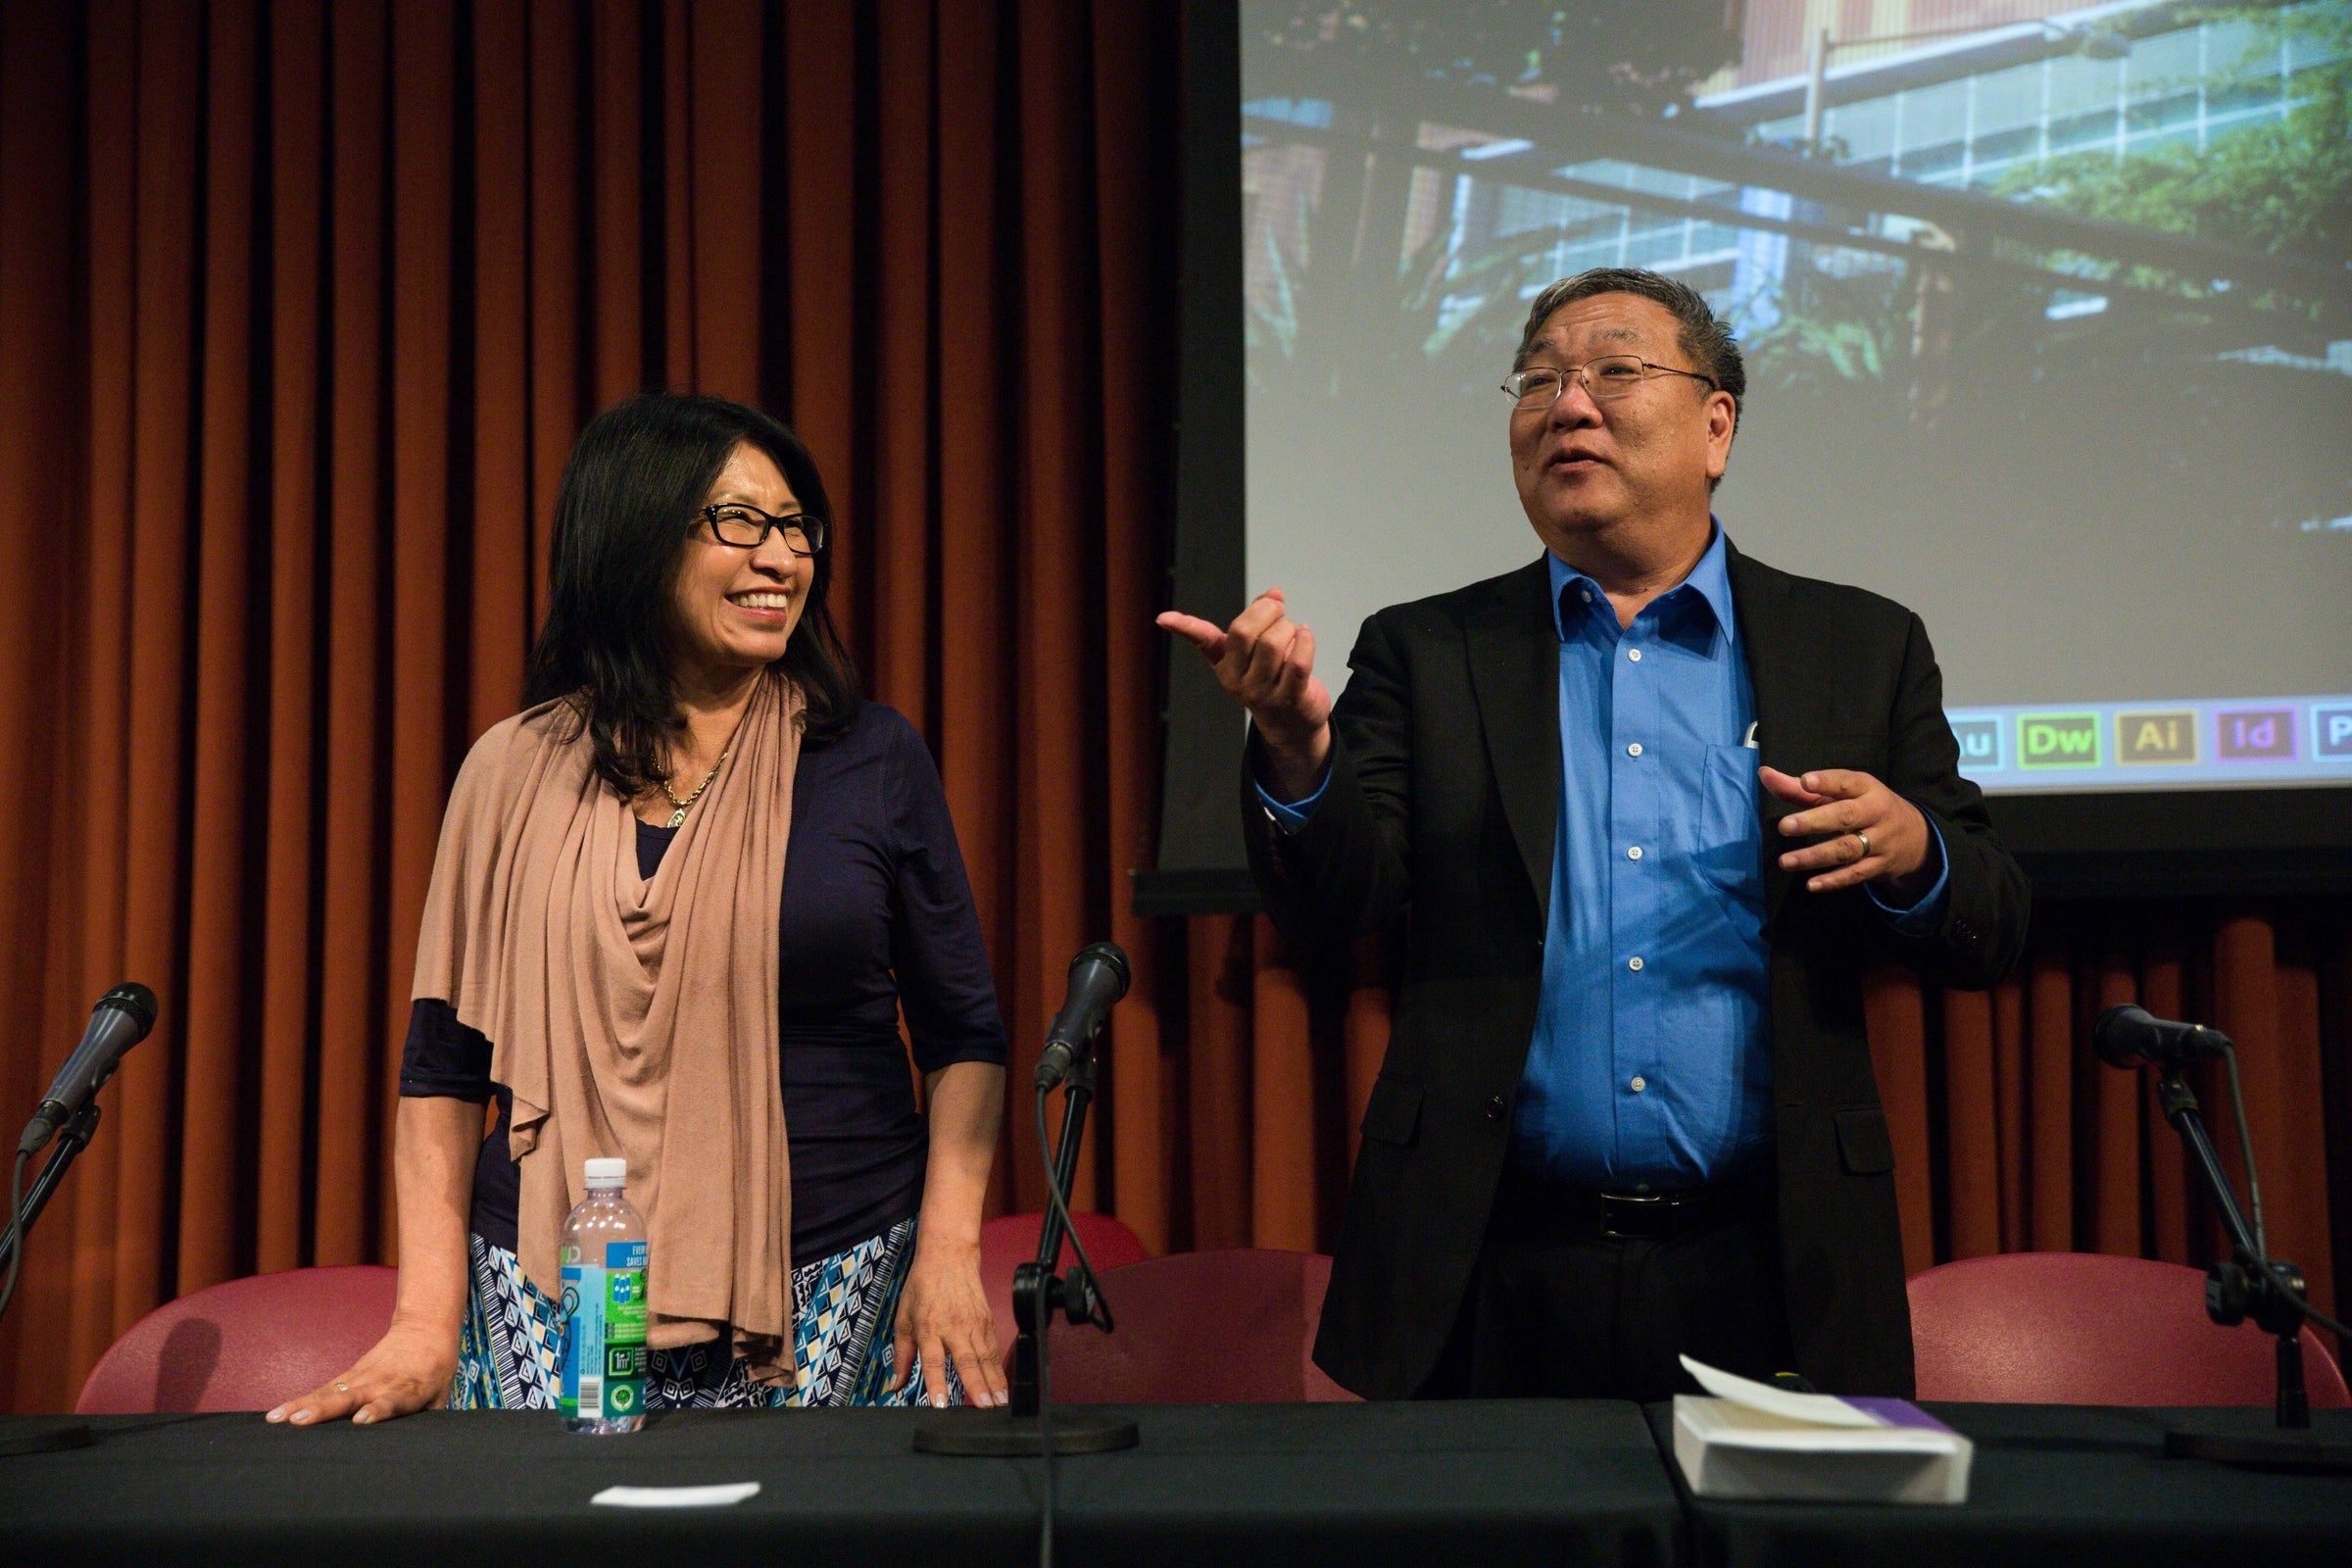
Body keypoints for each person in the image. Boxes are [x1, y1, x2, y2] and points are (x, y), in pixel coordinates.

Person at [1160, 268, 2029, 1401]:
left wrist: (1916, 851)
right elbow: (1339, 911)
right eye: (1539, 380)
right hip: (1487, 1265)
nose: (1568, 403)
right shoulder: (1428, 651)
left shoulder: (1857, 647)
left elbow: (1994, 925)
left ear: (1717, 424)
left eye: (1616, 369)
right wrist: (1290, 749)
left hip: (1770, 1262)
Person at [271, 393, 1010, 1424]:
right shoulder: (510, 770)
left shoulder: (871, 758)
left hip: (832, 1268)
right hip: (549, 1278)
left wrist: (947, 1256)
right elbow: (442, 1074)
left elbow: (964, 1035)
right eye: (739, 522)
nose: (781, 558)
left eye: (797, 527)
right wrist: (424, 1326)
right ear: (634, 538)